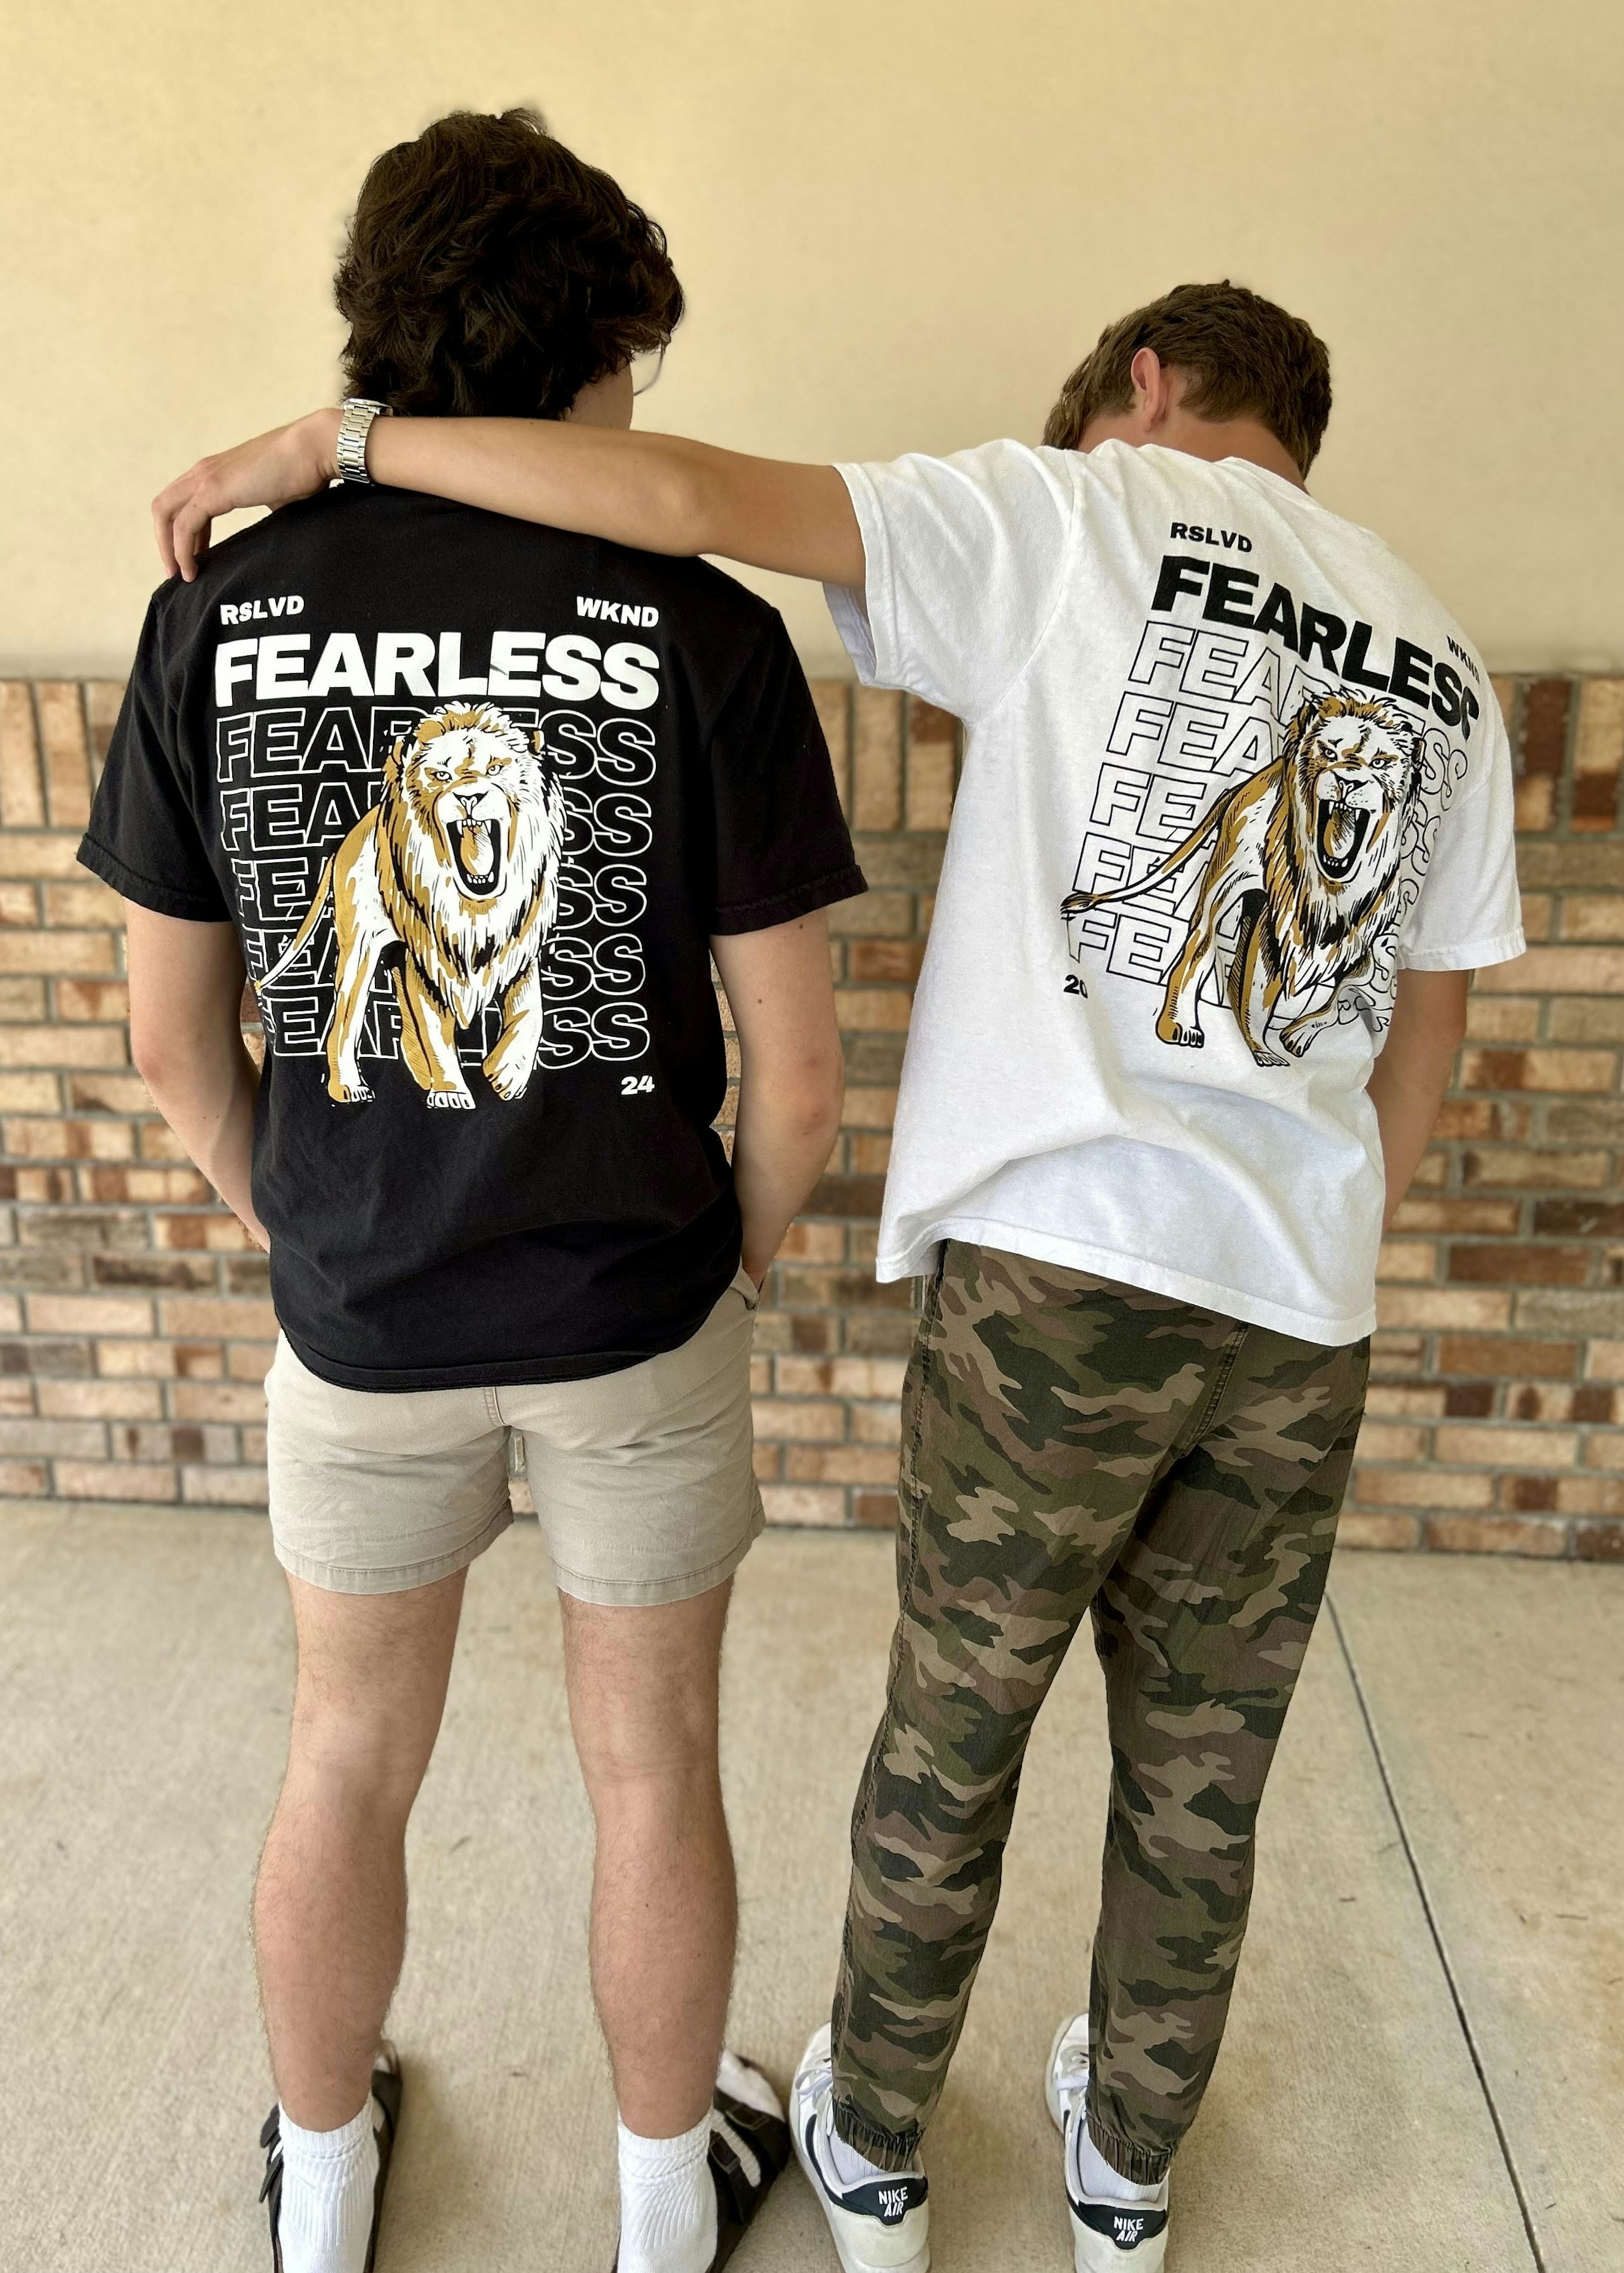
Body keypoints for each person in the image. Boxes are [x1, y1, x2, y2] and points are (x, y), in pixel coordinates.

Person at [155, 278, 1523, 2273]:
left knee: (950, 1735)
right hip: (1298, 1307)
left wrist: (340, 449)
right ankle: (1123, 2188)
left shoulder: (1086, 512)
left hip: (1054, 1274)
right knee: (1202, 1781)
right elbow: (1430, 1040)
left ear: (1142, 387)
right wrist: (1306, 1221)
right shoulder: (1445, 649)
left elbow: (691, 489)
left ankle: (871, 2167)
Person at [94, 108, 867, 2273]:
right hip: (633, 1310)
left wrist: (314, 1225)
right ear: (585, 347)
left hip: (364, 1321)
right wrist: (731, 1262)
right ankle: (657, 2206)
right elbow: (796, 1065)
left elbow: (170, 1040)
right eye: (635, 358)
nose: (645, 405)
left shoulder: (218, 612)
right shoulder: (696, 624)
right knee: (654, 1769)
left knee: (346, 1752)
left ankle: (324, 2186)